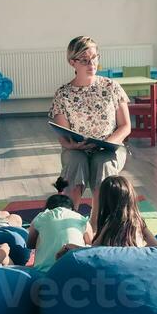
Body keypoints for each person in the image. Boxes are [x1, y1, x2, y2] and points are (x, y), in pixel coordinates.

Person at [50, 35, 130, 212]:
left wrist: (110, 142)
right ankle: (70, 216)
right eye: (85, 60)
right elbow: (62, 134)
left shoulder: (112, 87)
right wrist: (72, 145)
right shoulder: (63, 94)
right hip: (77, 150)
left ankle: (98, 222)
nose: (91, 64)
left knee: (103, 165)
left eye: (94, 58)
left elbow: (125, 126)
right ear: (72, 62)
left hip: (108, 148)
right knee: (75, 163)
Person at [62, 174, 157, 252]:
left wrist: (75, 248)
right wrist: (140, 251)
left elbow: (94, 248)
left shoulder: (111, 221)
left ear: (105, 201)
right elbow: (156, 246)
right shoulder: (138, 221)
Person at [27, 179, 92, 271]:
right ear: (72, 209)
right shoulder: (81, 219)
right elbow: (91, 245)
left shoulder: (41, 217)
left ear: (47, 208)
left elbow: (29, 243)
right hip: (77, 270)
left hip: (44, 271)